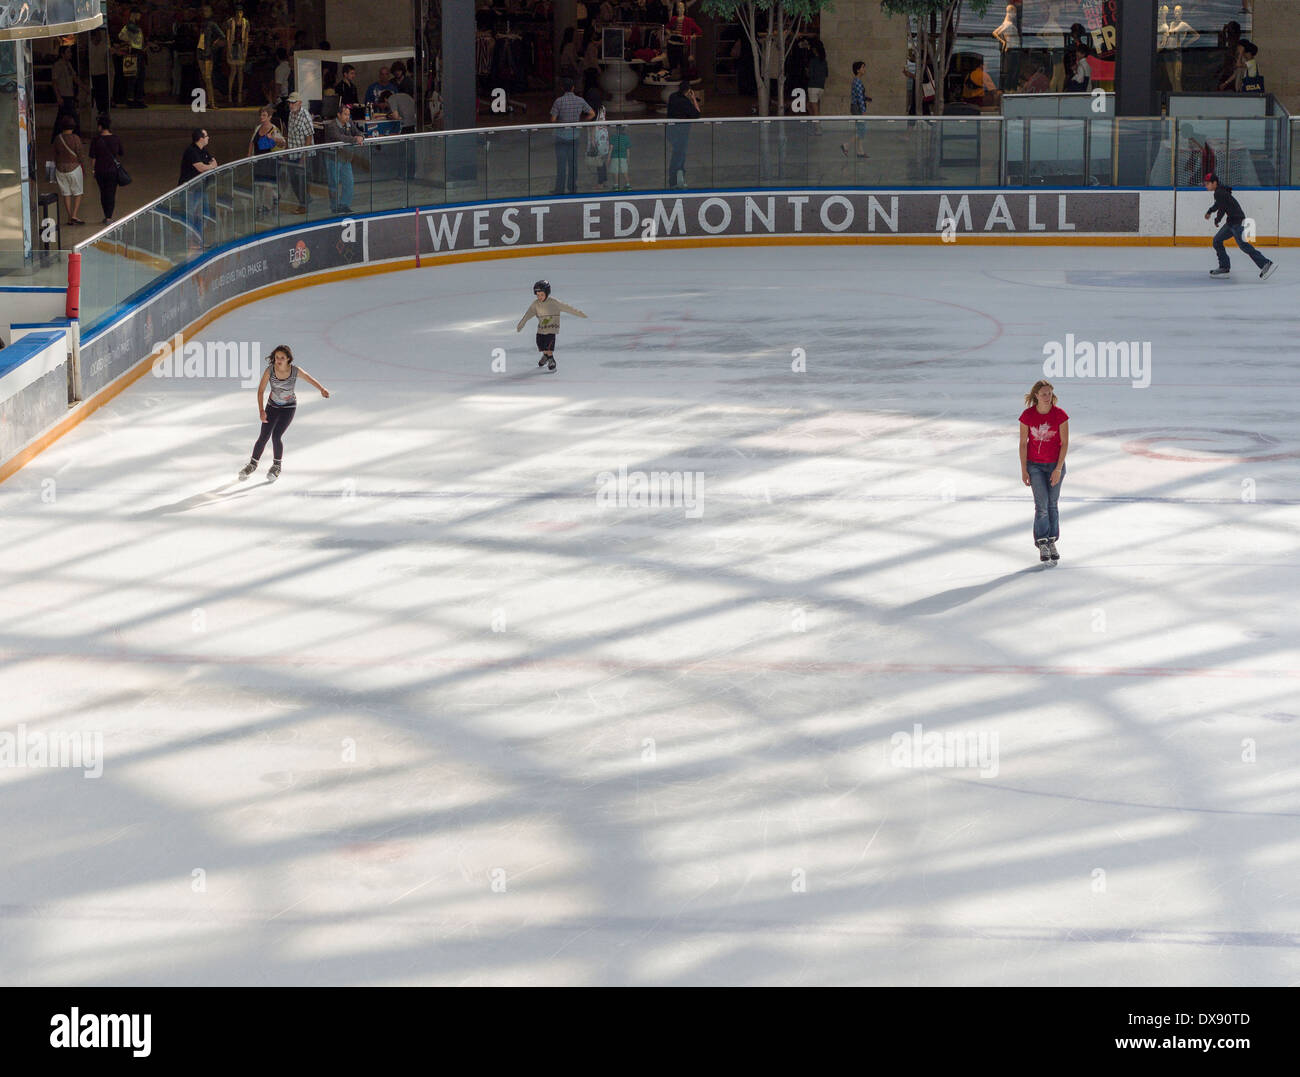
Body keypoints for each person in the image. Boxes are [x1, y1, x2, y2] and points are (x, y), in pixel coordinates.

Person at [238, 345, 330, 483]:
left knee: (276, 436)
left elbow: (309, 378)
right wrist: (262, 411)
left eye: (282, 358)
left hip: (289, 408)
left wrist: (321, 389)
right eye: (276, 357)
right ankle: (252, 464)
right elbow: (261, 391)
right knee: (263, 436)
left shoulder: (295, 371)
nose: (278, 360)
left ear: (288, 359)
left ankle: (276, 466)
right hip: (272, 407)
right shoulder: (270, 371)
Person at [1019, 380, 1068, 564]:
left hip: (1055, 465)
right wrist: (1024, 469)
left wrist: (1058, 468)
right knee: (1042, 505)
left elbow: (1064, 444)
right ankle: (1042, 542)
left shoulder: (1060, 415)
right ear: (1036, 396)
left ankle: (1052, 540)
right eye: (1044, 394)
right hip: (1035, 466)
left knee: (1052, 505)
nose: (1047, 397)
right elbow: (1023, 444)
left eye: (1049, 393)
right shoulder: (1028, 416)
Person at [1204, 173, 1275, 280]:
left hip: (1236, 222)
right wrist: (1210, 211)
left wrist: (1217, 219)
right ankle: (1224, 267)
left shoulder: (1219, 192)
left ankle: (1265, 263)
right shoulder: (1220, 192)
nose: (1206, 186)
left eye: (1208, 183)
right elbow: (1219, 204)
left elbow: (1222, 208)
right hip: (1231, 222)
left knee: (1243, 246)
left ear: (1215, 183)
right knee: (1217, 240)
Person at [516, 280, 588, 373]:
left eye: (541, 295)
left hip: (551, 329)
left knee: (549, 346)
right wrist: (522, 324)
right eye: (537, 295)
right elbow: (528, 314)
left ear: (547, 293)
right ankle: (545, 356)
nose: (539, 297)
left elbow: (568, 308)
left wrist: (580, 313)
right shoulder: (536, 304)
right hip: (541, 330)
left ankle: (551, 359)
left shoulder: (554, 303)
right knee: (541, 345)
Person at [550, 77, 595, 195]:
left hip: (561, 136)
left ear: (562, 88)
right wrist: (581, 122)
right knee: (573, 164)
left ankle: (559, 189)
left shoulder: (558, 101)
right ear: (573, 87)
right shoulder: (580, 100)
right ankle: (572, 187)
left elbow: (553, 119)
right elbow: (592, 114)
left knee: (561, 164)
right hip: (575, 135)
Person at [322, 103, 364, 213]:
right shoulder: (331, 126)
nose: (347, 117)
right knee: (333, 183)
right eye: (345, 114)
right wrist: (355, 139)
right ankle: (334, 206)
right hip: (333, 158)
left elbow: (358, 132)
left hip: (346, 158)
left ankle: (344, 205)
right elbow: (339, 138)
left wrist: (360, 136)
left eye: (348, 114)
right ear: (338, 115)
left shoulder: (349, 123)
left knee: (349, 182)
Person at [179, 128, 218, 241]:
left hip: (200, 188)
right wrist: (210, 167)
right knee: (190, 216)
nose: (208, 138)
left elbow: (214, 162)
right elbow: (200, 167)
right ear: (201, 139)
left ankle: (198, 238)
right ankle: (191, 241)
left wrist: (209, 166)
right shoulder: (191, 151)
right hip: (189, 190)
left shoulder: (203, 150)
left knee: (204, 213)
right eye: (206, 136)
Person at [248, 106, 286, 216]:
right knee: (260, 184)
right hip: (258, 160)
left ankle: (267, 205)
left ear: (269, 117)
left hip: (269, 160)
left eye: (264, 115)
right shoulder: (258, 128)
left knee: (267, 184)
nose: (261, 117)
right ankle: (270, 198)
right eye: (261, 115)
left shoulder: (274, 129)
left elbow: (282, 143)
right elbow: (252, 142)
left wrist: (273, 138)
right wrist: (249, 155)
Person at [88, 116, 124, 224]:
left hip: (100, 170)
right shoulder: (116, 139)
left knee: (103, 193)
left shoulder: (96, 140)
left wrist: (93, 170)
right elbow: (121, 153)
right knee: (111, 193)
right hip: (112, 170)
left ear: (100, 126)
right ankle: (109, 216)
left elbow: (93, 157)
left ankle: (106, 215)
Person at [665, 79, 701, 188]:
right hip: (681, 132)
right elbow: (697, 114)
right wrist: (693, 99)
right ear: (688, 91)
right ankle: (674, 180)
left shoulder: (672, 96)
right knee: (679, 155)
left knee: (678, 154)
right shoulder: (685, 102)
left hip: (670, 130)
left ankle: (678, 177)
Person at [53, 116, 86, 225]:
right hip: (74, 168)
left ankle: (69, 216)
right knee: (78, 192)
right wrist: (83, 165)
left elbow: (55, 154)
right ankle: (74, 215)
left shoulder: (58, 138)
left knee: (66, 193)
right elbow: (80, 153)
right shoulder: (75, 138)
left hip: (60, 169)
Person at [284, 92, 314, 214]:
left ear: (300, 103)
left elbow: (309, 137)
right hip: (293, 152)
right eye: (290, 103)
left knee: (301, 180)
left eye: (293, 102)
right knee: (293, 180)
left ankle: (303, 205)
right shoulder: (291, 114)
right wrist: (286, 150)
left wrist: (303, 157)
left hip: (303, 154)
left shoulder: (305, 116)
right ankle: (305, 200)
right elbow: (290, 134)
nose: (291, 105)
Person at [51, 45, 87, 135]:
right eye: (68, 52)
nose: (70, 54)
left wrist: (84, 87)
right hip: (63, 95)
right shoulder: (58, 65)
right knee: (73, 117)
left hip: (69, 94)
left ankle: (56, 137)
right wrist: (58, 96)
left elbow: (75, 78)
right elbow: (54, 82)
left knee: (62, 117)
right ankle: (77, 137)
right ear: (62, 54)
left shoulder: (69, 65)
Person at [196, 4, 226, 108]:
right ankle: (207, 101)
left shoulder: (212, 24)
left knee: (208, 78)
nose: (205, 12)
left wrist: (214, 44)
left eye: (207, 11)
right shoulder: (202, 24)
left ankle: (212, 102)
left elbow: (222, 36)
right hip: (200, 51)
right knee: (204, 78)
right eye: (204, 11)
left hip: (208, 53)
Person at [117, 7, 147, 108]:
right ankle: (132, 99)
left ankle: (136, 99)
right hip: (134, 52)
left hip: (138, 52)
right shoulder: (130, 26)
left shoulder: (133, 26)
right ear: (134, 14)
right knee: (133, 77)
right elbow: (121, 36)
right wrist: (129, 42)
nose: (140, 16)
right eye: (138, 14)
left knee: (138, 76)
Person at [840, 60, 870, 159]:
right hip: (857, 108)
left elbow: (859, 96)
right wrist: (863, 110)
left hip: (856, 106)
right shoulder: (857, 81)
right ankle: (846, 145)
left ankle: (860, 151)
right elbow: (859, 97)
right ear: (858, 70)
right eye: (862, 67)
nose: (864, 69)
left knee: (861, 129)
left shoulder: (857, 81)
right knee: (862, 129)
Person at [225, 4, 251, 105]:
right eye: (237, 12)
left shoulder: (246, 22)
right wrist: (228, 50)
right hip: (233, 46)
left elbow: (246, 38)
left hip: (241, 47)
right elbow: (228, 37)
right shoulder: (230, 22)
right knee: (233, 71)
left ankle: (239, 94)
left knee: (240, 71)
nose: (239, 14)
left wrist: (246, 50)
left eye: (240, 12)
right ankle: (230, 94)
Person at [992, 4, 1020, 92]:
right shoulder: (1008, 24)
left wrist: (1003, 41)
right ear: (1010, 12)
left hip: (1013, 49)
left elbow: (995, 33)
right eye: (1014, 13)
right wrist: (1003, 41)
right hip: (1012, 49)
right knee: (1013, 71)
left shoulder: (1006, 23)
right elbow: (996, 33)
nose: (1015, 15)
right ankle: (1010, 89)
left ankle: (1010, 89)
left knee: (1012, 70)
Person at [587, 102, 611, 189]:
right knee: (602, 160)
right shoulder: (603, 108)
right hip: (604, 134)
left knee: (598, 161)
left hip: (597, 136)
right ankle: (604, 180)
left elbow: (593, 125)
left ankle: (600, 183)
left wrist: (592, 140)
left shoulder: (593, 110)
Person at [807, 39, 828, 125]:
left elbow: (811, 74)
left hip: (813, 86)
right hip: (821, 86)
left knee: (814, 109)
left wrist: (807, 71)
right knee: (810, 106)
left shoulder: (813, 61)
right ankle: (815, 124)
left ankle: (817, 127)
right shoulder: (824, 61)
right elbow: (826, 74)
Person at [609, 123, 631, 190]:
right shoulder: (626, 138)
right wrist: (628, 158)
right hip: (623, 156)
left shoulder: (613, 137)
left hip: (615, 156)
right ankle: (628, 184)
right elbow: (628, 149)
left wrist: (608, 158)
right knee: (624, 171)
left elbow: (611, 148)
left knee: (615, 171)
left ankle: (616, 185)